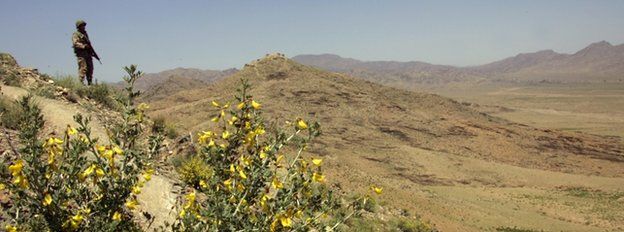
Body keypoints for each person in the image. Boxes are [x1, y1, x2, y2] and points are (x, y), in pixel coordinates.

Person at [72, 20, 99, 85]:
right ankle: (80, 84)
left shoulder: (85, 34)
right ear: (79, 26)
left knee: (90, 68)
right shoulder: (76, 34)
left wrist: (93, 53)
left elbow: (89, 45)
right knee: (83, 68)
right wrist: (83, 46)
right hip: (81, 54)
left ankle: (90, 83)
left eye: (84, 25)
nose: (84, 27)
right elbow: (75, 43)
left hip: (88, 54)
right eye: (82, 26)